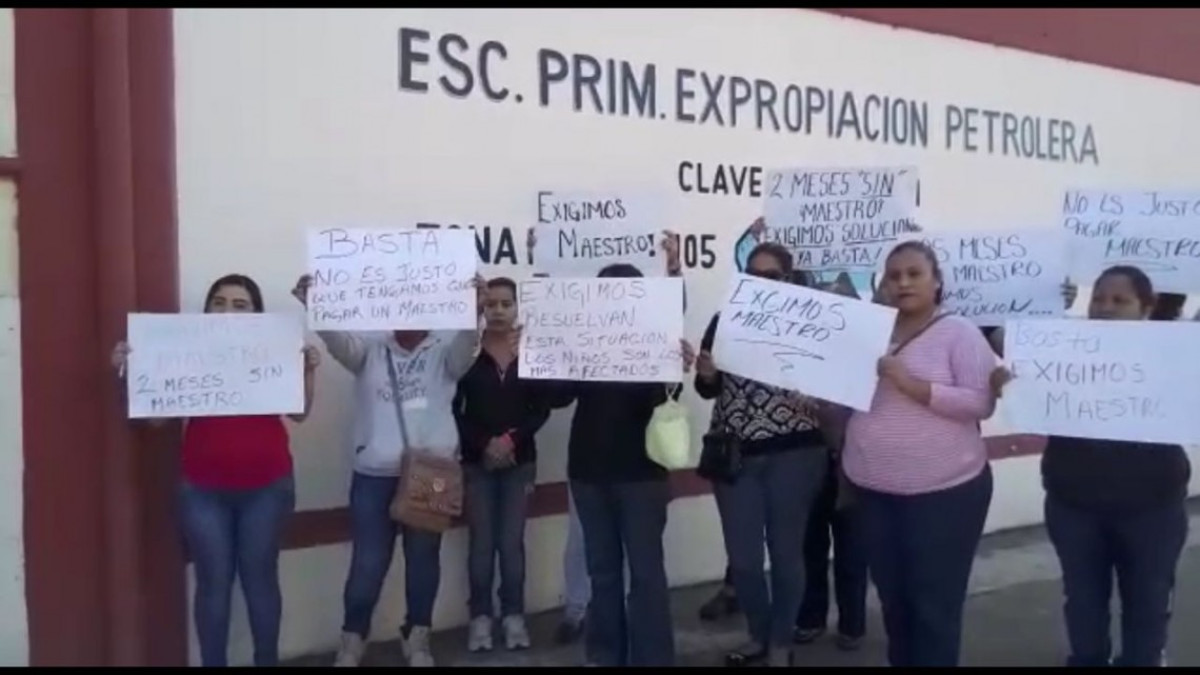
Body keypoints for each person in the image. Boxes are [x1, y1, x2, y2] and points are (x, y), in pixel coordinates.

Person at [111, 274, 320, 667]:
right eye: (219, 302)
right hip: (202, 490)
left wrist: (307, 370)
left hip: (267, 487)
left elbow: (299, 411)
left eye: (240, 305)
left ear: (257, 315)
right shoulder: (188, 351)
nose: (228, 311)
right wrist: (128, 375)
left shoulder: (272, 349)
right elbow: (153, 422)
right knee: (212, 585)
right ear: (206, 311)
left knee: (260, 581)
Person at [992, 266, 1191, 667]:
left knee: (1148, 603)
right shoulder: (1064, 347)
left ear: (1146, 308)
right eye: (1099, 298)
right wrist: (1039, 310)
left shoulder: (1174, 351)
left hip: (1153, 509)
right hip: (1074, 503)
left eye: (1120, 301)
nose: (1106, 308)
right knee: (1082, 600)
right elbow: (1000, 338)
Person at [291, 272, 485, 668]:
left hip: (432, 474)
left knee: (423, 561)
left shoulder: (444, 352)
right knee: (368, 563)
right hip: (374, 475)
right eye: (401, 306)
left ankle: (418, 638)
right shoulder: (369, 352)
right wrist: (317, 304)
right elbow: (337, 342)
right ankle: (352, 639)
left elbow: (467, 350)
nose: (410, 314)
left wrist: (474, 309)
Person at [841, 241, 998, 667]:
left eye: (914, 273)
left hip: (944, 496)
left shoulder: (958, 332)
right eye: (894, 276)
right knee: (895, 604)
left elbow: (982, 402)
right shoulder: (869, 331)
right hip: (873, 491)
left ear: (936, 280)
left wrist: (915, 386)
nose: (903, 282)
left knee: (934, 607)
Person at [539, 261, 696, 667]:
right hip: (589, 471)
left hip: (642, 473)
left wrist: (673, 365)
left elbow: (664, 401)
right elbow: (557, 397)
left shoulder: (657, 341)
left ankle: (653, 659)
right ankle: (605, 655)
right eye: (606, 292)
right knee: (602, 572)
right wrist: (541, 351)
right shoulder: (583, 340)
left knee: (645, 575)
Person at [695, 244, 829, 668]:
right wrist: (707, 375)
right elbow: (707, 389)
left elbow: (837, 385)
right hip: (735, 456)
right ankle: (757, 633)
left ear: (788, 278)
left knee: (787, 554)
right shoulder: (723, 320)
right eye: (752, 274)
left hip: (796, 454)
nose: (761, 282)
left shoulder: (811, 322)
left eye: (771, 275)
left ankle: (780, 642)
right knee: (745, 561)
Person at [455, 277, 551, 653]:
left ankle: (513, 616)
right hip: (477, 464)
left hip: (519, 462)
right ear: (480, 308)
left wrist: (511, 439)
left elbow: (541, 409)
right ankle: (480, 617)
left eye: (505, 304)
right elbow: (452, 409)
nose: (497, 310)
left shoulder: (531, 350)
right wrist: (484, 443)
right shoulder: (467, 353)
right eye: (490, 303)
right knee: (481, 544)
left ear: (517, 308)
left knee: (511, 544)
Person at [794, 280, 868, 652]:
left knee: (853, 549)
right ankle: (810, 617)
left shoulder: (869, 356)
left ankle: (853, 623)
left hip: (854, 466)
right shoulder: (801, 351)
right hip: (809, 462)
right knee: (810, 547)